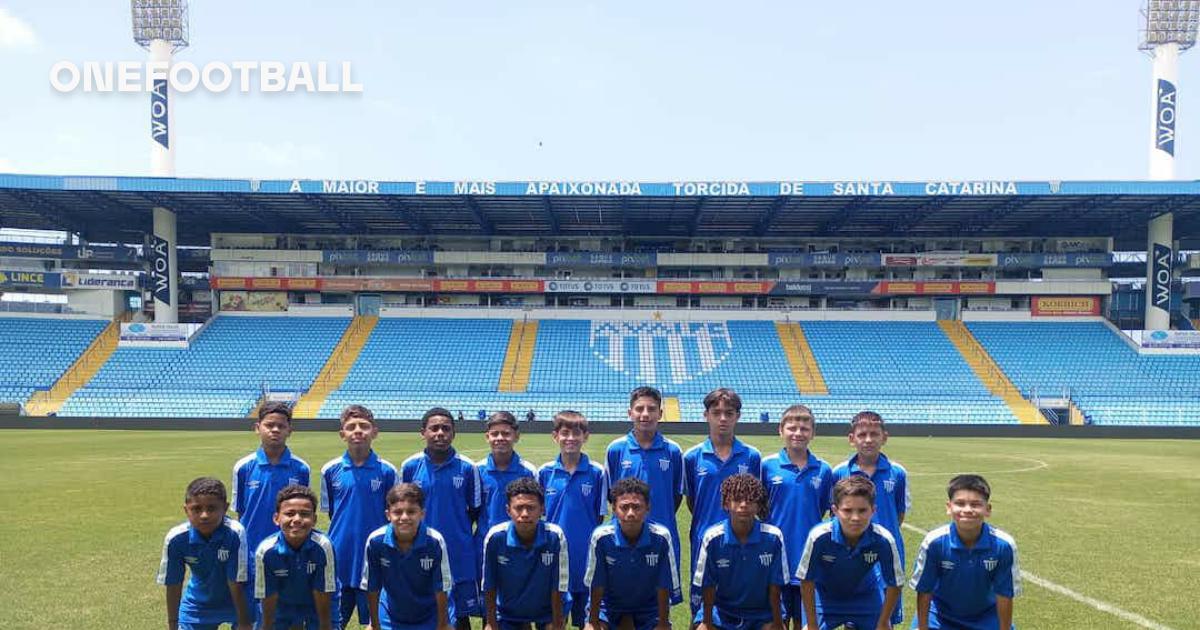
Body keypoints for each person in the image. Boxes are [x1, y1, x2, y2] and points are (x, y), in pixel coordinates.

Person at [402, 407, 483, 629]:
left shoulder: (467, 467)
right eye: (434, 428)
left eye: (446, 429)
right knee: (422, 608)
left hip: (458, 549)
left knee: (460, 614)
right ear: (423, 432)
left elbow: (475, 509)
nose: (440, 433)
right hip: (420, 547)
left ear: (453, 433)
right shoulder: (410, 466)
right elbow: (404, 507)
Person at [684, 388, 762, 616]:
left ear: (738, 416)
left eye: (729, 412)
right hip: (703, 537)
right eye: (716, 412)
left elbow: (756, 497)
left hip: (743, 539)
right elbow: (691, 500)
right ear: (705, 415)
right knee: (701, 608)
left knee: (741, 600)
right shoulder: (692, 457)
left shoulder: (751, 456)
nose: (723, 418)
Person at [320, 404, 399, 629]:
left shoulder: (387, 471)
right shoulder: (330, 470)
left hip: (375, 555)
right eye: (351, 426)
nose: (358, 431)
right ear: (342, 434)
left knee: (376, 623)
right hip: (340, 555)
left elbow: (393, 515)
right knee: (333, 621)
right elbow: (332, 513)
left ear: (374, 432)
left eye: (364, 426)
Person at [604, 386, 684, 604]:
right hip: (622, 538)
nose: (645, 414)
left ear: (660, 413)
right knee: (622, 603)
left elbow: (676, 496)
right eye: (639, 409)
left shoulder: (673, 451)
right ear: (630, 413)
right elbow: (612, 494)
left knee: (659, 607)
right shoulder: (616, 449)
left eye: (651, 409)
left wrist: (658, 515)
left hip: (662, 536)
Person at [233, 402, 311, 624]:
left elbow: (304, 512)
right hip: (252, 552)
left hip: (288, 551)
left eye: (281, 425)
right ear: (258, 428)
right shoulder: (244, 467)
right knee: (251, 612)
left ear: (290, 430)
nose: (275, 430)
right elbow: (241, 513)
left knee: (290, 612)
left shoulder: (301, 468)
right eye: (269, 425)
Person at [909, 475, 1020, 630]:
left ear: (987, 509)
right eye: (960, 504)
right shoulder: (935, 542)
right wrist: (922, 628)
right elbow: (924, 590)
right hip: (940, 616)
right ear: (949, 507)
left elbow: (1004, 594)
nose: (967, 510)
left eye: (975, 504)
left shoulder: (1003, 545)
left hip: (986, 617)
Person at [831, 411, 909, 626]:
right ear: (851, 438)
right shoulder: (840, 472)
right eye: (862, 434)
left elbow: (899, 513)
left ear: (884, 437)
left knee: (885, 617)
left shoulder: (897, 473)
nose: (868, 439)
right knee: (852, 613)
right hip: (851, 555)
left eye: (874, 434)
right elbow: (834, 515)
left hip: (886, 552)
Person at [760, 404, 834, 630]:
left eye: (804, 428)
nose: (798, 433)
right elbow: (760, 508)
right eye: (792, 428)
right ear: (780, 430)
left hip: (808, 559)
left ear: (813, 432)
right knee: (775, 622)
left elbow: (823, 509)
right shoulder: (767, 465)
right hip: (774, 557)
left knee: (807, 623)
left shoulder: (823, 470)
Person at [797, 476, 903, 630]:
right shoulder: (819, 536)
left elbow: (895, 583)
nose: (855, 518)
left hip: (866, 595)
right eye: (847, 510)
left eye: (862, 510)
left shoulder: (883, 539)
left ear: (873, 510)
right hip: (826, 597)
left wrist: (883, 622)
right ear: (835, 511)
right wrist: (812, 624)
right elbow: (806, 580)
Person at [539, 410, 609, 629]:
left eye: (576, 433)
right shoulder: (544, 473)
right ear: (555, 436)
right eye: (565, 433)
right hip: (553, 558)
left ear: (585, 437)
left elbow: (599, 515)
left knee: (588, 621)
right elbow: (539, 516)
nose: (570, 438)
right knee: (553, 622)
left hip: (585, 558)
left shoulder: (597, 473)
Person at [157, 476, 253, 630]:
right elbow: (173, 583)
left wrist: (244, 622)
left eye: (212, 508)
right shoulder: (176, 538)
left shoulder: (235, 532)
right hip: (199, 601)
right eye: (196, 509)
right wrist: (173, 625)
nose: (204, 515)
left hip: (239, 600)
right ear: (186, 510)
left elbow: (236, 581)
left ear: (225, 508)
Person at [692, 473, 786, 630]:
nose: (743, 505)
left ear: (758, 505)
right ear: (726, 504)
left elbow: (775, 587)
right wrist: (707, 622)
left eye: (750, 500)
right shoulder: (712, 537)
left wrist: (777, 623)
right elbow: (707, 585)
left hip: (761, 613)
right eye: (737, 499)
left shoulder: (773, 537)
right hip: (722, 611)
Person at [584, 478, 676, 630]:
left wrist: (663, 623)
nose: (631, 513)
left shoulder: (661, 537)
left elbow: (664, 585)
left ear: (648, 507)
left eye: (636, 507)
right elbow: (596, 584)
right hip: (609, 606)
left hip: (649, 608)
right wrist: (593, 622)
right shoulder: (601, 537)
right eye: (624, 507)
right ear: (614, 508)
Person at [362, 483, 454, 630]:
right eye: (397, 512)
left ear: (422, 514)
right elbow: (372, 586)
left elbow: (441, 587)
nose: (404, 517)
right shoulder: (375, 541)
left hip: (429, 613)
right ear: (388, 515)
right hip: (390, 614)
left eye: (411, 512)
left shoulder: (435, 541)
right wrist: (374, 624)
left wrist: (442, 625)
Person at [481, 477, 569, 630]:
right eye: (519, 508)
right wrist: (490, 623)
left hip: (547, 610)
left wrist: (557, 622)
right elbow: (489, 583)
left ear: (542, 509)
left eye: (531, 508)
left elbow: (559, 584)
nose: (525, 514)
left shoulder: (555, 536)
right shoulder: (495, 537)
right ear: (508, 510)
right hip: (509, 611)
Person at [253, 485, 338, 630]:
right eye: (290, 513)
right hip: (282, 605)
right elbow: (268, 593)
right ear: (276, 518)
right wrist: (266, 626)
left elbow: (323, 590)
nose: (297, 519)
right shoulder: (266, 550)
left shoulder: (323, 546)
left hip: (316, 605)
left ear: (314, 519)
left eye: (305, 514)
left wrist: (325, 626)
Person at [476, 411, 539, 604]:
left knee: (521, 601)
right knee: (490, 598)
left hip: (519, 545)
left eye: (506, 433)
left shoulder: (528, 471)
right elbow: (473, 509)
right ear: (487, 437)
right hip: (486, 544)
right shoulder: (476, 470)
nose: (500, 438)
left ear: (516, 436)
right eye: (495, 434)